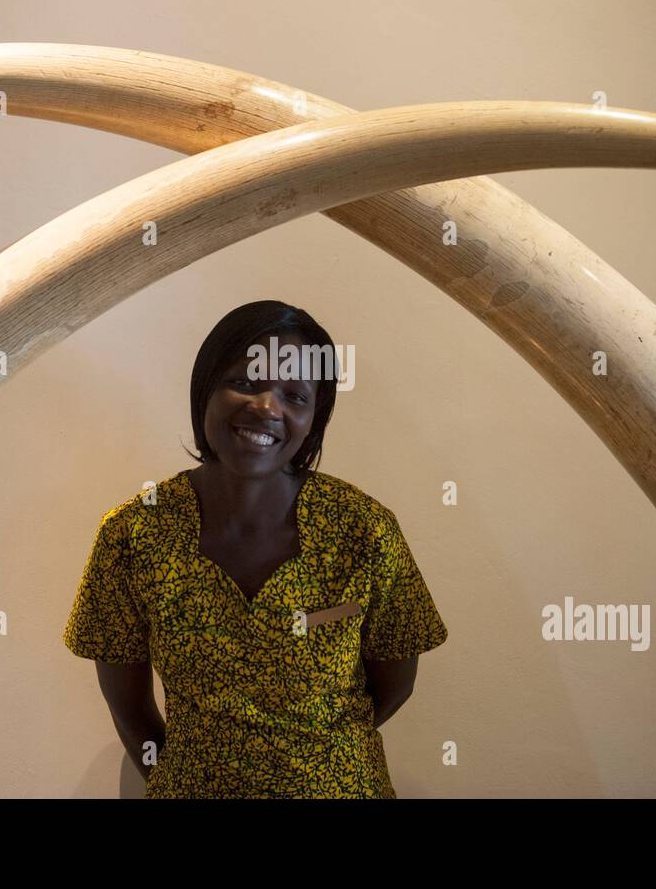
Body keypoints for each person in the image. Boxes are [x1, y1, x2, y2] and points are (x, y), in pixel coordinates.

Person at [63, 300, 448, 797]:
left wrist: (312, 761)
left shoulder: (363, 531)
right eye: (244, 382)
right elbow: (129, 709)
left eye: (295, 395)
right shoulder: (135, 535)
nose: (267, 406)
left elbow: (395, 683)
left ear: (314, 418)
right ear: (205, 390)